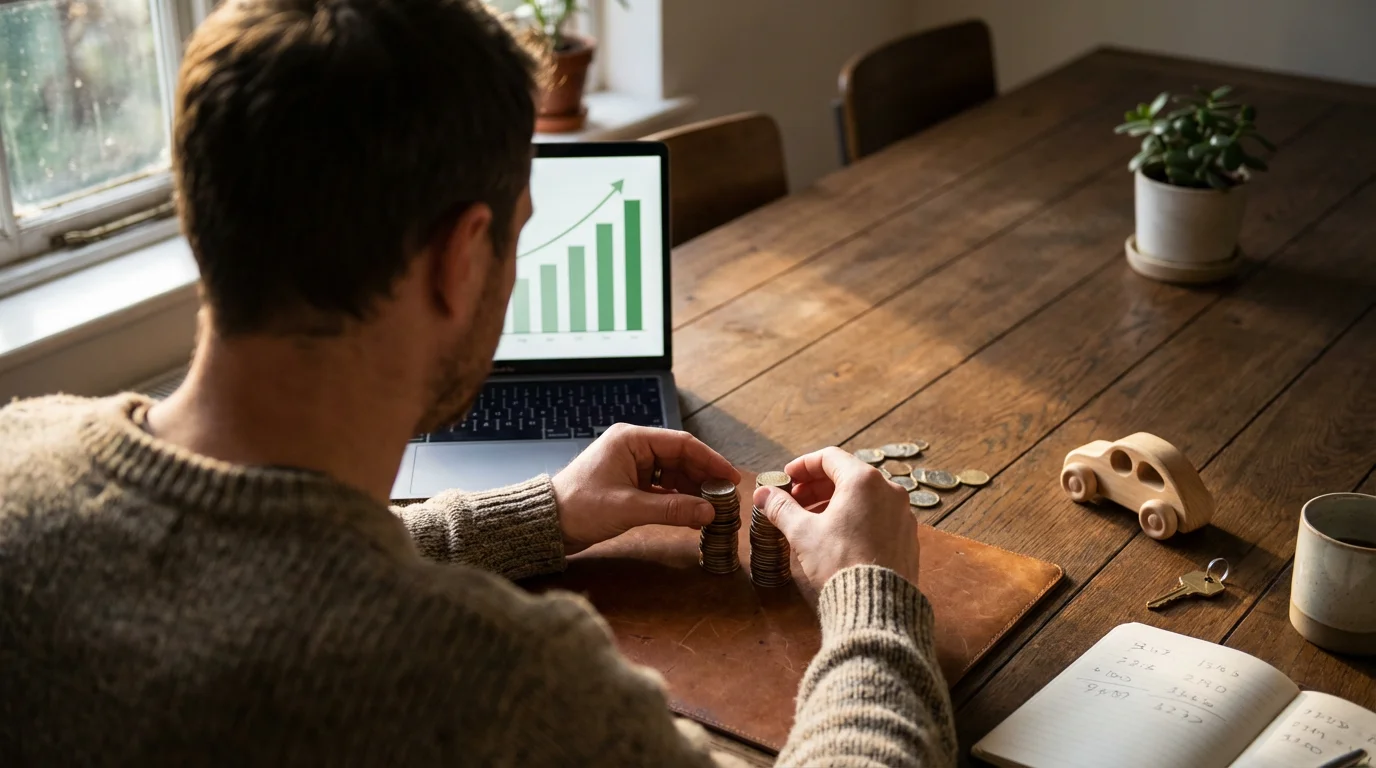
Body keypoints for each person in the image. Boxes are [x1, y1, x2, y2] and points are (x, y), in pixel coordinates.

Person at [0, 0, 957, 763]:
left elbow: (241, 559)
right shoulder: (495, 689)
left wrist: (539, 512)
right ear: (461, 260)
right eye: (518, 232)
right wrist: (870, 601)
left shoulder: (20, 451)